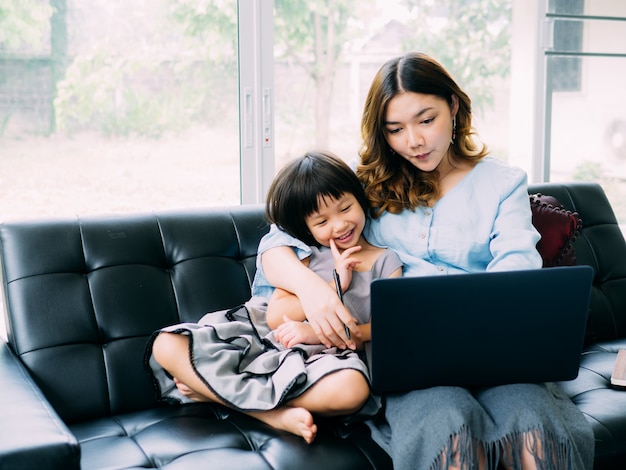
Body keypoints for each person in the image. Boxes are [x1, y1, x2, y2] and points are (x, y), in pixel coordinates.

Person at [254, 53, 595, 469]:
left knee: (531, 427)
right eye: (395, 129)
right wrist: (310, 290)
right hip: (406, 357)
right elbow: (278, 237)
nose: (413, 141)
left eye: (426, 120)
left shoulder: (503, 184)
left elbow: (516, 276)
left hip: (496, 353)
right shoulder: (366, 188)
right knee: (446, 428)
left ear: (453, 106)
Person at [145, 151, 402, 444]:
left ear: (359, 199)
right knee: (167, 344)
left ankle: (213, 392)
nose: (339, 225)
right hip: (272, 343)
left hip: (330, 358)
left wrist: (316, 333)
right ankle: (271, 415)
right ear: (305, 228)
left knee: (353, 390)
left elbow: (386, 327)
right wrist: (334, 285)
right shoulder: (307, 255)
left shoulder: (386, 261)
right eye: (322, 222)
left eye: (345, 209)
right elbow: (275, 317)